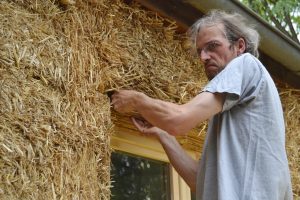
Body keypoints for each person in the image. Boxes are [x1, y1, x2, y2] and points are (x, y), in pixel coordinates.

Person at [111, 10, 293, 200]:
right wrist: (163, 135)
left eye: (212, 46)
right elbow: (200, 181)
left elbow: (179, 119)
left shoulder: (245, 65)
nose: (204, 57)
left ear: (239, 46)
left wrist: (137, 101)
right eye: (200, 51)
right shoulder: (234, 109)